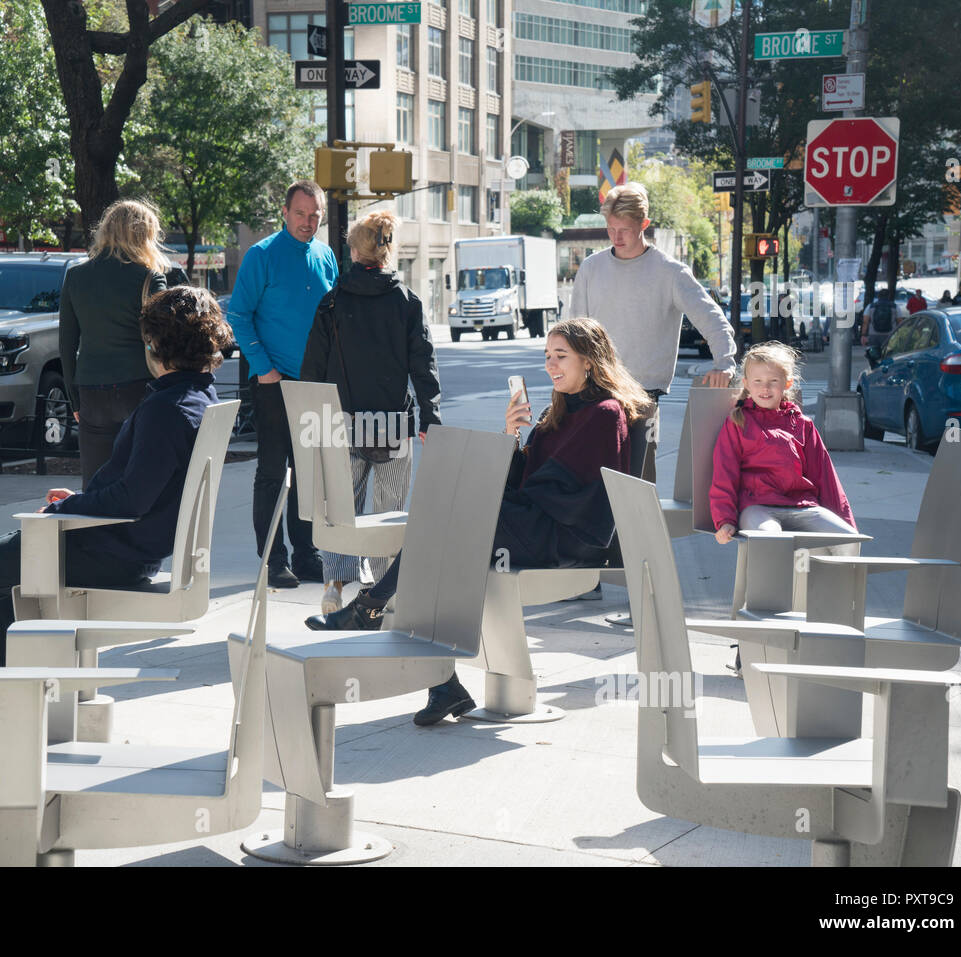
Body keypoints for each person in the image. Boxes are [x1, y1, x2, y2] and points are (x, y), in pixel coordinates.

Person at [307, 318, 652, 726]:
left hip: (568, 533)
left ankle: (371, 609)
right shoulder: (555, 411)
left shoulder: (605, 413)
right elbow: (524, 479)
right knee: (447, 533)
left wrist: (501, 497)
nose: (551, 365)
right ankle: (440, 681)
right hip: (534, 520)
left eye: (561, 356)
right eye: (546, 356)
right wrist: (511, 435)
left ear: (589, 361)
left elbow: (577, 493)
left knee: (455, 518)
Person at [0, 287, 231, 677]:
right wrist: (82, 500)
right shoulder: (200, 398)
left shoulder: (167, 409)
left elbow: (131, 501)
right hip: (126, 548)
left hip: (108, 554)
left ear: (154, 344)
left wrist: (65, 509)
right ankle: (21, 688)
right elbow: (144, 489)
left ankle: (11, 697)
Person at [300, 210, 442, 614]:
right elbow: (423, 364)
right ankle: (382, 592)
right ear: (388, 251)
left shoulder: (331, 303)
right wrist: (430, 418)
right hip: (393, 425)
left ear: (353, 248)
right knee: (390, 510)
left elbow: (312, 368)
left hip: (340, 423)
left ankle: (334, 584)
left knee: (341, 509)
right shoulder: (407, 302)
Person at [570, 182, 736, 484]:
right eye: (610, 229)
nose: (616, 237)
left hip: (643, 394)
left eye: (625, 230)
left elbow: (711, 317)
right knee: (590, 481)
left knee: (638, 480)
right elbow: (574, 333)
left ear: (644, 224)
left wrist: (724, 361)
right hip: (593, 391)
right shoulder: (591, 269)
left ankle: (637, 533)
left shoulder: (669, 272)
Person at [228, 181, 340, 588]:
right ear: (285, 211)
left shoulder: (326, 255)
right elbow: (238, 315)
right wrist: (263, 368)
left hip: (316, 385)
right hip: (273, 383)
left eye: (315, 215)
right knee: (273, 473)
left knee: (310, 476)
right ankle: (273, 560)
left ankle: (306, 555)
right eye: (300, 214)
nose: (308, 222)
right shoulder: (262, 256)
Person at [60, 199, 170, 484]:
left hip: (91, 392)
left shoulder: (75, 277)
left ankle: (96, 531)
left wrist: (74, 400)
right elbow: (164, 340)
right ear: (144, 235)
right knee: (140, 480)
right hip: (139, 388)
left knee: (95, 485)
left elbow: (66, 345)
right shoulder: (149, 278)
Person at [711, 341, 857, 546]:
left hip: (802, 506)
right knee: (771, 539)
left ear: (787, 383)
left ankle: (822, 578)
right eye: (758, 381)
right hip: (757, 507)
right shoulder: (738, 422)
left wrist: (846, 522)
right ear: (746, 383)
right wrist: (724, 520)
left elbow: (826, 478)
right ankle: (772, 579)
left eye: (773, 381)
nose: (765, 388)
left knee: (849, 540)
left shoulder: (803, 425)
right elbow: (724, 474)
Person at [861, 288, 896, 354]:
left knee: (873, 355)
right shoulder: (894, 306)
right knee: (888, 354)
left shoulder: (870, 306)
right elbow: (900, 321)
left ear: (878, 296)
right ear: (889, 296)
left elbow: (865, 322)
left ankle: (875, 364)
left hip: (873, 335)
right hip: (890, 335)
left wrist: (863, 335)